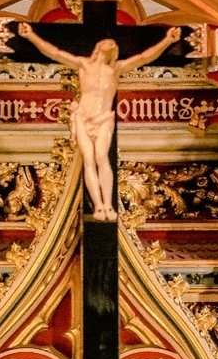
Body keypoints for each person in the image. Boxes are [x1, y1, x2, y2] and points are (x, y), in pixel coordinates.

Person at [18, 23, 181, 220]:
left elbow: (145, 57)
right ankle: (98, 206)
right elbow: (56, 53)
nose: (111, 43)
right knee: (89, 160)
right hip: (83, 117)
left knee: (102, 158)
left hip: (104, 118)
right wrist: (31, 36)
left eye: (114, 43)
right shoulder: (84, 65)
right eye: (108, 41)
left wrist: (168, 41)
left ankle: (108, 205)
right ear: (98, 46)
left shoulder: (117, 68)